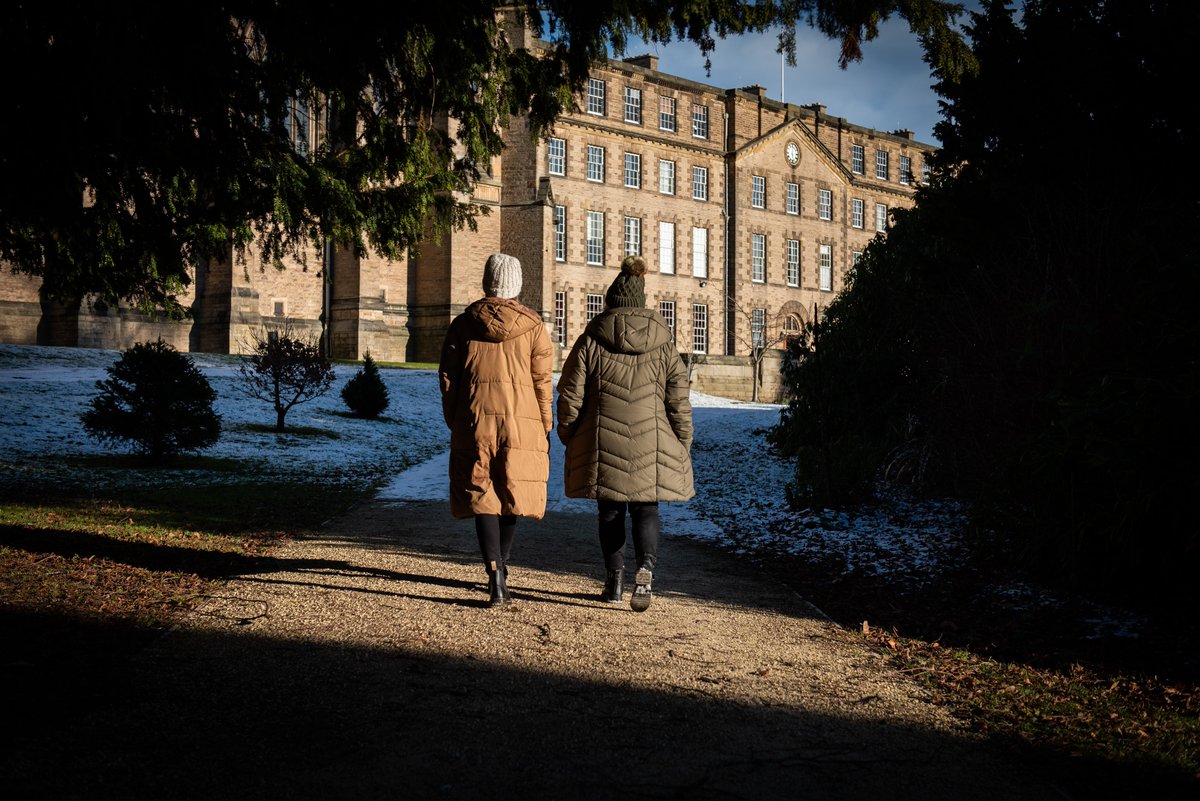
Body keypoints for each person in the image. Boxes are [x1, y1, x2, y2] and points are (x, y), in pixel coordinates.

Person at [556, 255, 695, 612]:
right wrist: (682, 440)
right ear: (641, 301)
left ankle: (614, 580)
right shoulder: (664, 345)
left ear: (611, 301)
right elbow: (679, 399)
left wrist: (569, 431)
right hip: (653, 439)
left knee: (610, 511)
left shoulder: (591, 341)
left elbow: (570, 393)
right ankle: (645, 567)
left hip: (604, 439)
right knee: (647, 508)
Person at [439, 252, 554, 607]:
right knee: (512, 493)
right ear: (516, 286)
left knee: (483, 494)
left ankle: (494, 573)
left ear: (487, 283)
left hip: (475, 420)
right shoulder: (534, 327)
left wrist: (456, 419)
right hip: (523, 423)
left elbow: (448, 380)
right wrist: (545, 424)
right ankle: (503, 565)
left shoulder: (462, 324)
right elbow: (543, 382)